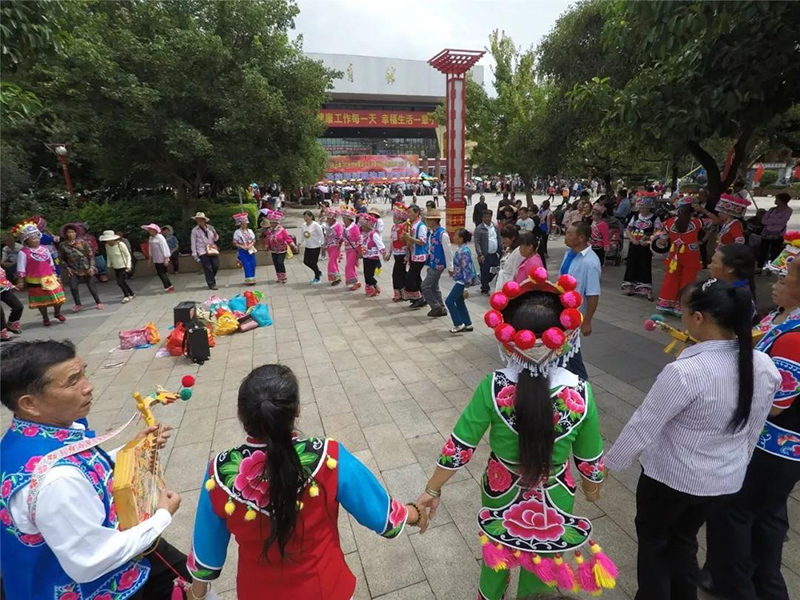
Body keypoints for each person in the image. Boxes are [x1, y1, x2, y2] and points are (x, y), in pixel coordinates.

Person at [417, 278, 612, 600]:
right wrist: (592, 490)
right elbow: (591, 460)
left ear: (509, 339)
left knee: (495, 561)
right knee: (543, 572)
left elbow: (460, 447)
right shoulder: (580, 391)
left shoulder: (492, 387)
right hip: (556, 496)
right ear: (564, 338)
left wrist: (432, 488)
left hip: (500, 489)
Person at [185, 364, 427, 600]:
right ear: (297, 410)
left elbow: (206, 560)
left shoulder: (219, 472)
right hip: (326, 588)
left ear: (242, 415)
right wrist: (415, 512)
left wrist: (196, 595)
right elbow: (384, 518)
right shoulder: (328, 456)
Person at [606, 278, 781, 600]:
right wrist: (735, 465)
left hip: (670, 479)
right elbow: (753, 429)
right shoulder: (764, 366)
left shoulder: (686, 372)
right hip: (722, 482)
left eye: (684, 313)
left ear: (699, 318)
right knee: (684, 540)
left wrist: (608, 464)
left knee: (655, 543)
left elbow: (644, 424)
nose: (683, 320)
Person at [0, 340, 187, 599]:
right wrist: (162, 516)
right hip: (93, 586)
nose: (88, 386)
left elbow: (80, 470)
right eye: (72, 381)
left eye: (83, 373)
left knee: (186, 574)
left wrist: (137, 448)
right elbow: (91, 560)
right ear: (29, 403)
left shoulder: (25, 438)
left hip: (99, 563)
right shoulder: (57, 480)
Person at [701, 247, 800, 600]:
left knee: (735, 520)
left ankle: (739, 588)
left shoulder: (794, 339)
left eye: (785, 279)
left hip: (771, 449)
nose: (774, 284)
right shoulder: (782, 320)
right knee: (768, 523)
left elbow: (774, 405)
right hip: (776, 452)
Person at [559, 222, 601, 380]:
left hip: (574, 316)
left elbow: (593, 294)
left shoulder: (590, 262)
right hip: (561, 310)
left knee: (567, 353)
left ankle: (582, 384)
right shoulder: (569, 253)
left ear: (581, 238)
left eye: (570, 233)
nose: (566, 235)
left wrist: (588, 322)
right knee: (568, 353)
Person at [653, 196, 703, 316]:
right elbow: (716, 221)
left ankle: (666, 303)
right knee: (688, 279)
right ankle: (681, 306)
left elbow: (662, 240)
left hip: (674, 252)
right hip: (691, 253)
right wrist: (703, 210)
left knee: (671, 277)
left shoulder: (669, 223)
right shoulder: (697, 222)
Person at [12, 221, 66, 326]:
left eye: (37, 237)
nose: (36, 240)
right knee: (41, 300)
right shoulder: (23, 252)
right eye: (33, 238)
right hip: (34, 279)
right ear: (26, 240)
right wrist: (21, 281)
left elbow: (50, 262)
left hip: (50, 276)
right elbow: (21, 268)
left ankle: (57, 312)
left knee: (59, 297)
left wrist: (56, 274)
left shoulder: (44, 248)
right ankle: (45, 317)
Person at [621, 193, 661, 300]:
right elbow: (628, 229)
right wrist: (632, 239)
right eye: (640, 207)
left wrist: (648, 241)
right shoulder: (635, 217)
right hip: (634, 244)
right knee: (632, 264)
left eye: (644, 207)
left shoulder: (655, 219)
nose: (642, 209)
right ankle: (630, 286)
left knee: (645, 265)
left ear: (649, 208)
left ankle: (646, 289)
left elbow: (658, 232)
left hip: (646, 246)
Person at [58, 223, 103, 312]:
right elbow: (61, 258)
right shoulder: (63, 245)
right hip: (73, 269)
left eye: (72, 232)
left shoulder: (83, 242)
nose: (71, 234)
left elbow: (90, 255)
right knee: (73, 287)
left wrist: (92, 267)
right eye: (69, 232)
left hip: (86, 267)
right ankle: (78, 304)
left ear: (76, 233)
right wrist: (67, 267)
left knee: (91, 286)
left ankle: (98, 302)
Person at [418, 208, 452, 316]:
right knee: (434, 287)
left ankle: (435, 306)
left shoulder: (442, 234)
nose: (426, 222)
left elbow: (448, 252)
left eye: (428, 220)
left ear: (433, 221)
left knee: (425, 286)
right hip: (433, 264)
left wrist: (450, 268)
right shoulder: (432, 233)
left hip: (439, 265)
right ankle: (441, 307)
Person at [446, 228, 478, 334]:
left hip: (462, 281)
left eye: (456, 235)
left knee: (449, 301)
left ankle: (458, 323)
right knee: (459, 301)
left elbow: (467, 269)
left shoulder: (464, 252)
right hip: (459, 279)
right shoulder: (461, 249)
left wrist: (466, 287)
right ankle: (467, 323)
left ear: (460, 239)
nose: (454, 237)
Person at [757, 193, 792, 273]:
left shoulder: (788, 210)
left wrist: (770, 221)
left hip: (778, 234)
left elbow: (782, 221)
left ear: (782, 201)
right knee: (763, 251)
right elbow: (763, 220)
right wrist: (774, 221)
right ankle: (759, 267)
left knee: (774, 252)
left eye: (777, 199)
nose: (775, 201)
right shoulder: (772, 209)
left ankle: (771, 268)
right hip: (766, 234)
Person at [99, 230, 135, 303]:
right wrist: (109, 266)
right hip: (115, 266)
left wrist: (128, 266)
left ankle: (126, 295)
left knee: (120, 282)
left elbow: (128, 255)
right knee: (122, 281)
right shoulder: (107, 246)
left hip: (123, 266)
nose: (108, 241)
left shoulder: (120, 244)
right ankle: (131, 293)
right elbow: (109, 256)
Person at [402, 204, 428, 303]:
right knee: (416, 277)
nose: (409, 215)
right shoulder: (412, 225)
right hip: (414, 255)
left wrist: (409, 238)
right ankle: (424, 296)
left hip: (420, 255)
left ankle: (416, 296)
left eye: (411, 212)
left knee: (410, 277)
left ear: (417, 213)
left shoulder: (421, 226)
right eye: (408, 212)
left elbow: (422, 241)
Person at [262, 210, 296, 285]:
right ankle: (279, 277)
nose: (272, 224)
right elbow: (267, 239)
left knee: (280, 262)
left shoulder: (282, 230)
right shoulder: (269, 231)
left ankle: (284, 276)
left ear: (277, 223)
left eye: (273, 223)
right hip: (273, 250)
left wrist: (293, 245)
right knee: (276, 263)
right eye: (271, 223)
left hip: (282, 249)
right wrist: (267, 246)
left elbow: (288, 238)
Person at [385, 202, 409, 301]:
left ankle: (399, 293)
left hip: (402, 253)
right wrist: (389, 253)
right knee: (401, 273)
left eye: (395, 216)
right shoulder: (394, 228)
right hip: (396, 253)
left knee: (396, 274)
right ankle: (403, 292)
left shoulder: (404, 227)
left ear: (400, 217)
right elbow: (391, 241)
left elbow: (407, 242)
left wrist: (407, 255)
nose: (393, 218)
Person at [190, 212, 220, 290]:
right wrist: (195, 254)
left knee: (215, 265)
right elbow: (193, 242)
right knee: (208, 267)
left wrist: (214, 232)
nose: (199, 221)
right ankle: (211, 284)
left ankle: (210, 277)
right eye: (197, 220)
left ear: (204, 220)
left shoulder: (210, 228)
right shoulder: (194, 230)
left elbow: (216, 239)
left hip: (211, 249)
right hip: (202, 251)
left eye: (200, 220)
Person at [475, 210, 502, 295]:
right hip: (485, 254)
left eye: (489, 216)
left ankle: (484, 280)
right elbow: (477, 242)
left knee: (496, 269)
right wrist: (480, 254)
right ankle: (485, 288)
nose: (487, 218)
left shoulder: (495, 226)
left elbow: (498, 238)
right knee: (485, 271)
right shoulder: (479, 229)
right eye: (485, 217)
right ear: (482, 218)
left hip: (494, 253)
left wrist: (501, 249)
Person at [142, 224, 175, 293]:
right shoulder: (151, 238)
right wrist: (150, 258)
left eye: (151, 230)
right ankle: (169, 286)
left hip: (162, 257)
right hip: (156, 258)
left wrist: (166, 258)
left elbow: (164, 247)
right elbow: (150, 248)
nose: (149, 232)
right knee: (160, 273)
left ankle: (167, 287)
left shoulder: (160, 237)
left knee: (162, 273)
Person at [358, 213, 385, 297]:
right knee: (366, 273)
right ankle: (371, 287)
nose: (361, 227)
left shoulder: (373, 234)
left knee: (369, 274)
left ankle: (375, 285)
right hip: (366, 256)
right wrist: (360, 252)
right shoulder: (363, 234)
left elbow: (380, 244)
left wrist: (383, 253)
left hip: (373, 257)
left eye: (363, 226)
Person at [340, 206, 362, 291]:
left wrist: (359, 251)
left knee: (348, 266)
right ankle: (355, 281)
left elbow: (359, 239)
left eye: (344, 217)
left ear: (349, 218)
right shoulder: (344, 227)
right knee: (350, 266)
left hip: (354, 249)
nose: (343, 219)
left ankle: (355, 282)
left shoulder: (354, 227)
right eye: (343, 217)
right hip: (348, 249)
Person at [495, 225, 523, 292]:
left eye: (505, 239)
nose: (502, 241)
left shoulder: (518, 252)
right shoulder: (507, 248)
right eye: (502, 238)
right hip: (501, 283)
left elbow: (516, 271)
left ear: (513, 238)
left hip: (510, 286)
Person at [232, 213, 258, 285]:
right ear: (240, 224)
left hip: (250, 249)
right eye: (242, 223)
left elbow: (254, 240)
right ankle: (249, 280)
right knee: (246, 264)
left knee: (253, 263)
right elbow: (234, 242)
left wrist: (250, 245)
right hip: (242, 250)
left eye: (245, 223)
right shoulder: (237, 232)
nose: (244, 225)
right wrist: (242, 246)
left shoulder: (250, 231)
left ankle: (252, 278)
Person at [300, 210, 324, 285]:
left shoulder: (316, 225)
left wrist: (322, 244)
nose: (305, 218)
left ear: (311, 217)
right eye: (304, 217)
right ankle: (318, 272)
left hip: (316, 246)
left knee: (313, 262)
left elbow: (321, 235)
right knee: (306, 261)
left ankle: (317, 278)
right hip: (308, 246)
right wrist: (299, 244)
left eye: (307, 216)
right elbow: (302, 235)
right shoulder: (303, 225)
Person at [322, 207, 344, 287]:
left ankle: (335, 278)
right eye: (327, 218)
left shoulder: (338, 226)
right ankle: (337, 277)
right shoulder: (327, 226)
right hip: (329, 246)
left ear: (333, 218)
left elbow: (341, 236)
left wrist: (339, 244)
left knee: (331, 262)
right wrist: (324, 246)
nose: (327, 219)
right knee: (334, 262)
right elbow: (326, 236)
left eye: (329, 218)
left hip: (335, 246)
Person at [0, 267, 23, 341]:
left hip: (3, 288)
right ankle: (2, 331)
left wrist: (11, 285)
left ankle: (11, 324)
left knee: (18, 306)